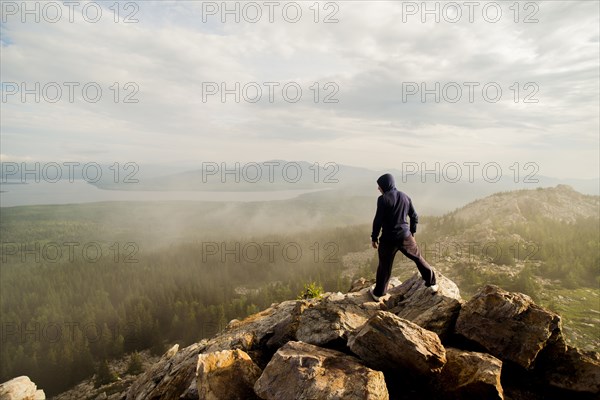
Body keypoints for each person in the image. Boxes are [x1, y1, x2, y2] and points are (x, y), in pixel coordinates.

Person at [369, 173, 438, 301]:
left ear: (385, 185)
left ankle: (379, 294)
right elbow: (414, 216)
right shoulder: (405, 197)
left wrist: (374, 238)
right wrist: (412, 232)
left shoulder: (383, 199)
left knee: (385, 266)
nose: (378, 188)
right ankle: (432, 283)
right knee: (418, 258)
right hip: (406, 236)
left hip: (388, 239)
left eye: (379, 186)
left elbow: (378, 220)